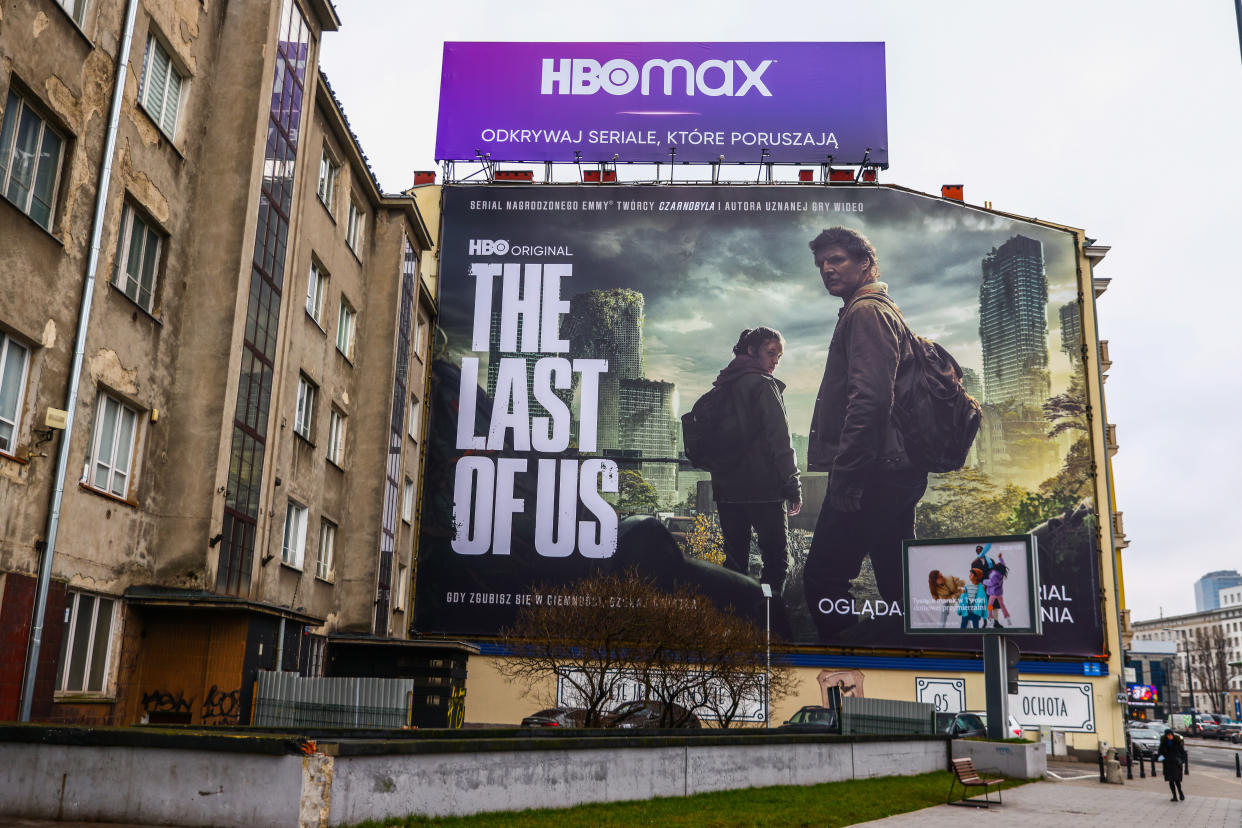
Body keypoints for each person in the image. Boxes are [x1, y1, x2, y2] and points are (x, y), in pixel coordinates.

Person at [802, 227, 926, 640]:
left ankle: (850, 667)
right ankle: (902, 660)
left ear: (865, 264)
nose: (827, 269)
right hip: (893, 469)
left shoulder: (867, 312)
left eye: (836, 259)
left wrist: (848, 475)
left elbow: (871, 401)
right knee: (897, 585)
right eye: (822, 263)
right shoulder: (874, 309)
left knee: (822, 580)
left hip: (872, 473)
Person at [709, 327, 801, 594]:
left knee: (734, 564)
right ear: (751, 350)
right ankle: (765, 622)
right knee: (776, 562)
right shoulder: (763, 385)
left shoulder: (721, 386)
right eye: (771, 353)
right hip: (765, 491)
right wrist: (793, 486)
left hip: (727, 491)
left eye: (779, 357)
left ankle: (735, 623)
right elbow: (781, 442)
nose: (774, 362)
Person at [1158, 728, 1186, 801]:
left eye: (1171, 734)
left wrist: (1181, 761)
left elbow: (1183, 753)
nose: (1170, 736)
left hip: (1176, 764)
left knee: (1177, 780)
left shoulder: (1177, 742)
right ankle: (1174, 796)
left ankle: (1181, 793)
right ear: (1166, 736)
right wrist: (1163, 759)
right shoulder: (1163, 743)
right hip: (1168, 764)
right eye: (1168, 735)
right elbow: (1160, 753)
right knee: (1171, 781)